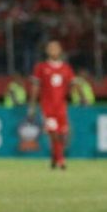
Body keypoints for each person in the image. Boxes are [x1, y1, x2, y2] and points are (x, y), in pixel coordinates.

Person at [28, 40, 80, 169]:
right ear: (47, 51)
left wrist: (78, 96)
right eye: (51, 48)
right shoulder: (41, 67)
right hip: (47, 107)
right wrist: (32, 105)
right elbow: (35, 87)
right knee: (54, 133)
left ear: (60, 50)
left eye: (56, 48)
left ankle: (54, 156)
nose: (53, 50)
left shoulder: (66, 68)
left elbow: (73, 84)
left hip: (61, 107)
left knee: (62, 134)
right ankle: (61, 160)